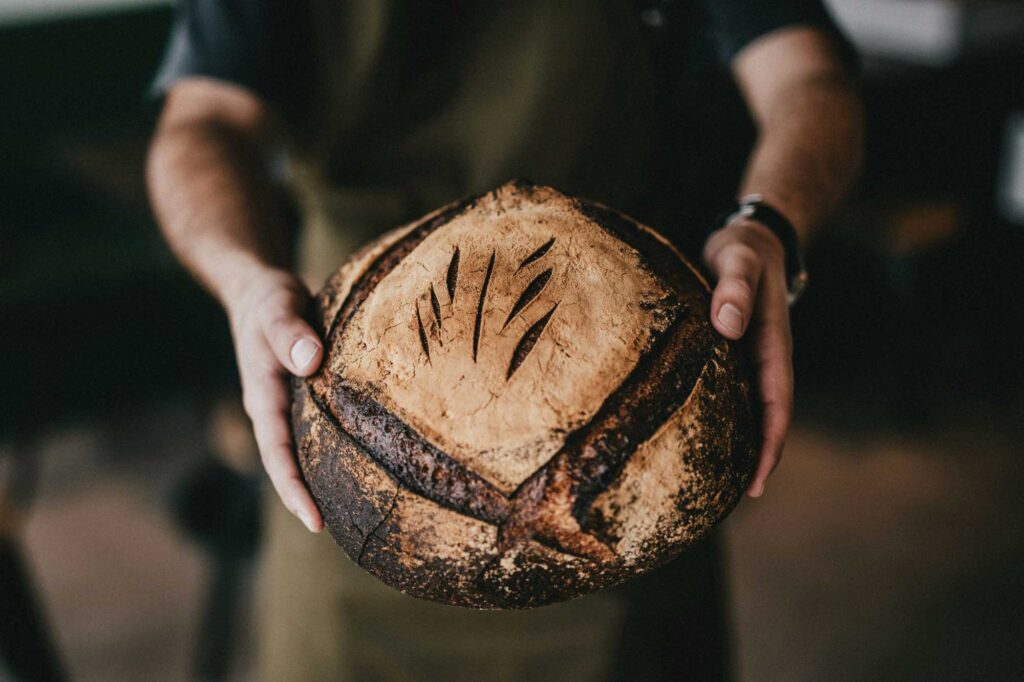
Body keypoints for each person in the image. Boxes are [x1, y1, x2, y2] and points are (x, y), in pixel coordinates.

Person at [147, 1, 863, 679]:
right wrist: (245, 283)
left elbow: (810, 78)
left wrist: (769, 223)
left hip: (620, 376)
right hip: (351, 408)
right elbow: (200, 123)